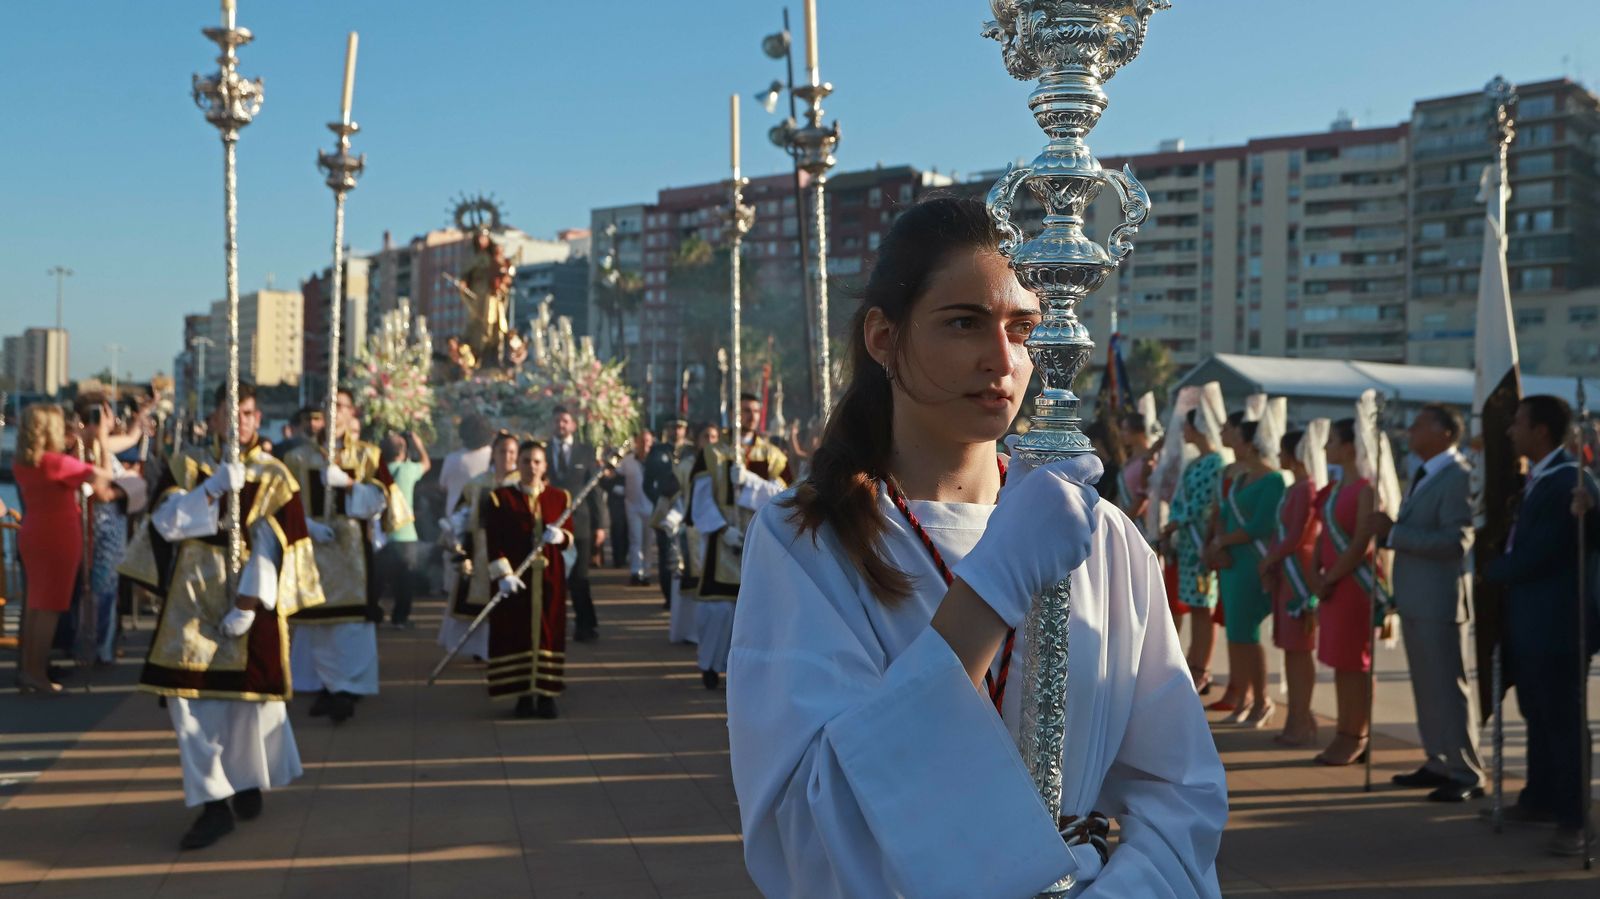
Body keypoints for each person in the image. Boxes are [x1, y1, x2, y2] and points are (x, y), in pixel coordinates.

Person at [727, 196, 1225, 897]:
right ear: (882, 336)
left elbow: (1180, 785)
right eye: (964, 322)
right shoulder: (806, 537)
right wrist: (994, 580)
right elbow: (811, 822)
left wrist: (1124, 887)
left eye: (1023, 328)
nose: (1002, 360)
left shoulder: (1101, 534)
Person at [121, 382, 324, 849]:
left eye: (250, 413)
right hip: (192, 598)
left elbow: (277, 544)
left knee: (247, 708)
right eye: (232, 413)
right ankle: (213, 806)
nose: (241, 422)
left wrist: (249, 603)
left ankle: (246, 779)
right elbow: (166, 526)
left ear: (258, 419)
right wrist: (210, 490)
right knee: (187, 706)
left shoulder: (275, 474)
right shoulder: (189, 465)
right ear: (214, 417)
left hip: (249, 596)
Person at [1483, 395, 1599, 856]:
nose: (1510, 431)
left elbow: (1545, 552)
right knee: (1537, 712)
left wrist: (1491, 570)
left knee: (1563, 722)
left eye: (1518, 423)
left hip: (1558, 624)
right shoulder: (1541, 479)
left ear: (1542, 431)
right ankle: (1540, 798)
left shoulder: (1569, 482)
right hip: (1531, 621)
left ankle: (1574, 820)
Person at [1367, 403, 1484, 802]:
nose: (1411, 432)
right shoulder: (1427, 473)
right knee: (1427, 687)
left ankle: (1466, 771)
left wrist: (1395, 534)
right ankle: (1438, 759)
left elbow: (1456, 541)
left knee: (1448, 690)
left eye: (1419, 426)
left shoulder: (1457, 476)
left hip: (1440, 600)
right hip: (1418, 598)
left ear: (1446, 434)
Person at [283, 388, 399, 723]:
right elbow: (283, 502)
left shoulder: (368, 455)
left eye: (341, 406)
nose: (334, 413)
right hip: (313, 548)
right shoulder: (297, 457)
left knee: (350, 624)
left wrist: (349, 486)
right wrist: (306, 525)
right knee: (316, 625)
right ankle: (322, 684)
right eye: (328, 406)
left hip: (352, 554)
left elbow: (382, 500)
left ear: (352, 415)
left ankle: (347, 688)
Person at [682, 398, 788, 689]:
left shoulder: (773, 454)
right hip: (723, 538)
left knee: (755, 609)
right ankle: (709, 664)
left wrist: (751, 481)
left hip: (760, 538)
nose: (750, 416)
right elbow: (701, 496)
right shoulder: (714, 453)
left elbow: (785, 498)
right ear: (733, 414)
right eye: (744, 411)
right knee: (717, 608)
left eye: (755, 411)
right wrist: (720, 528)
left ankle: (750, 669)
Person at [11, 403, 119, 693]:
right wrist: (102, 441)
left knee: (35, 604)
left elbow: (66, 470)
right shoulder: (56, 463)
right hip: (57, 537)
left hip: (33, 533)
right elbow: (103, 475)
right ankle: (37, 675)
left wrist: (80, 445)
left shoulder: (24, 462)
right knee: (50, 607)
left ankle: (29, 669)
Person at [1309, 417, 1386, 766]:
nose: (1326, 449)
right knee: (1339, 662)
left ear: (1350, 447)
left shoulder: (1366, 490)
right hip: (1332, 587)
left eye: (1332, 442)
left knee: (1355, 662)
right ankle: (1344, 728)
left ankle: (1357, 733)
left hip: (1352, 586)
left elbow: (1361, 544)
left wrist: (1329, 577)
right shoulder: (1337, 487)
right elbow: (1323, 533)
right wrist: (1314, 572)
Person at [1207, 401, 1288, 728]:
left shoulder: (1273, 480)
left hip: (1250, 561)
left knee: (1249, 634)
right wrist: (1218, 543)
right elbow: (1224, 514)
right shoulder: (1238, 477)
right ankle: (1243, 698)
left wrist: (1222, 542)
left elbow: (1261, 525)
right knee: (1236, 635)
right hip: (1230, 562)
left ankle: (1262, 700)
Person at [482, 440, 573, 719]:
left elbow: (569, 536)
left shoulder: (560, 498)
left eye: (536, 461)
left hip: (549, 579)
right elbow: (494, 541)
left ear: (545, 465)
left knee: (549, 631)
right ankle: (522, 694)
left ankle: (546, 694)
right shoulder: (500, 499)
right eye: (525, 461)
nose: (531, 467)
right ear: (516, 465)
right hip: (516, 580)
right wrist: (504, 574)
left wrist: (561, 537)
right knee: (516, 632)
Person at [1258, 422, 1327, 747]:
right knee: (1290, 648)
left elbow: (1299, 535)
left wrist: (1271, 558)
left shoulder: (1306, 488)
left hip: (1299, 572)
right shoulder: (1294, 487)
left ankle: (1301, 718)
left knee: (1299, 649)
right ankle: (1299, 717)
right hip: (1287, 569)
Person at [1163, 383, 1227, 698]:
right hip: (1187, 543)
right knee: (1195, 605)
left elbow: (1205, 506)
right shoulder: (1197, 461)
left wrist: (1174, 523)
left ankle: (1202, 667)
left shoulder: (1215, 463)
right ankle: (1194, 662)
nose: (1183, 431)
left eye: (1187, 425)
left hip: (1200, 542)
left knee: (1203, 607)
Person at [442, 431, 519, 663]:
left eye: (512, 452)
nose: (507, 456)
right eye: (502, 451)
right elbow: (460, 515)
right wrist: (456, 535)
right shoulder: (476, 484)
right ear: (493, 454)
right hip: (480, 549)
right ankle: (481, 648)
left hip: (512, 550)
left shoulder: (520, 484)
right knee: (479, 599)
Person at [547, 406, 608, 642]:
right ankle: (552, 625)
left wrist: (600, 525)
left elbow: (594, 490)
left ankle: (586, 624)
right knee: (553, 578)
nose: (561, 425)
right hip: (551, 524)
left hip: (580, 524)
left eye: (565, 421)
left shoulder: (585, 452)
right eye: (557, 421)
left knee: (579, 578)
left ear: (572, 425)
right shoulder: (541, 452)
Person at [436, 414, 496, 653]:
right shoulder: (492, 457)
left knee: (456, 587)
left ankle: (456, 639)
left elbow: (442, 485)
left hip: (457, 526)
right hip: (476, 526)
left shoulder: (453, 459)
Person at [376, 430, 430, 629]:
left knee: (378, 580)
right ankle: (400, 618)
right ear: (403, 451)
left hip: (381, 535)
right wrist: (418, 442)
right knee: (404, 581)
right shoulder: (407, 470)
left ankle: (374, 615)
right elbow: (426, 463)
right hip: (406, 534)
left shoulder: (377, 470)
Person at [645, 419, 689, 610]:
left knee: (686, 553)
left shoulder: (691, 452)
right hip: (664, 509)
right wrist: (659, 500)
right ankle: (669, 597)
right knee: (666, 553)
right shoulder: (657, 451)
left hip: (687, 510)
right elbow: (647, 483)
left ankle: (684, 597)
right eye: (673, 427)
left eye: (680, 427)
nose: (676, 431)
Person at [617, 429, 655, 586]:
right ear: (636, 442)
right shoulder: (628, 460)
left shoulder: (655, 460)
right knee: (635, 539)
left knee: (648, 541)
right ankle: (635, 571)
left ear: (651, 442)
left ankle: (646, 571)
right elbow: (616, 475)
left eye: (647, 441)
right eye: (641, 441)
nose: (644, 444)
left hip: (652, 507)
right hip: (633, 506)